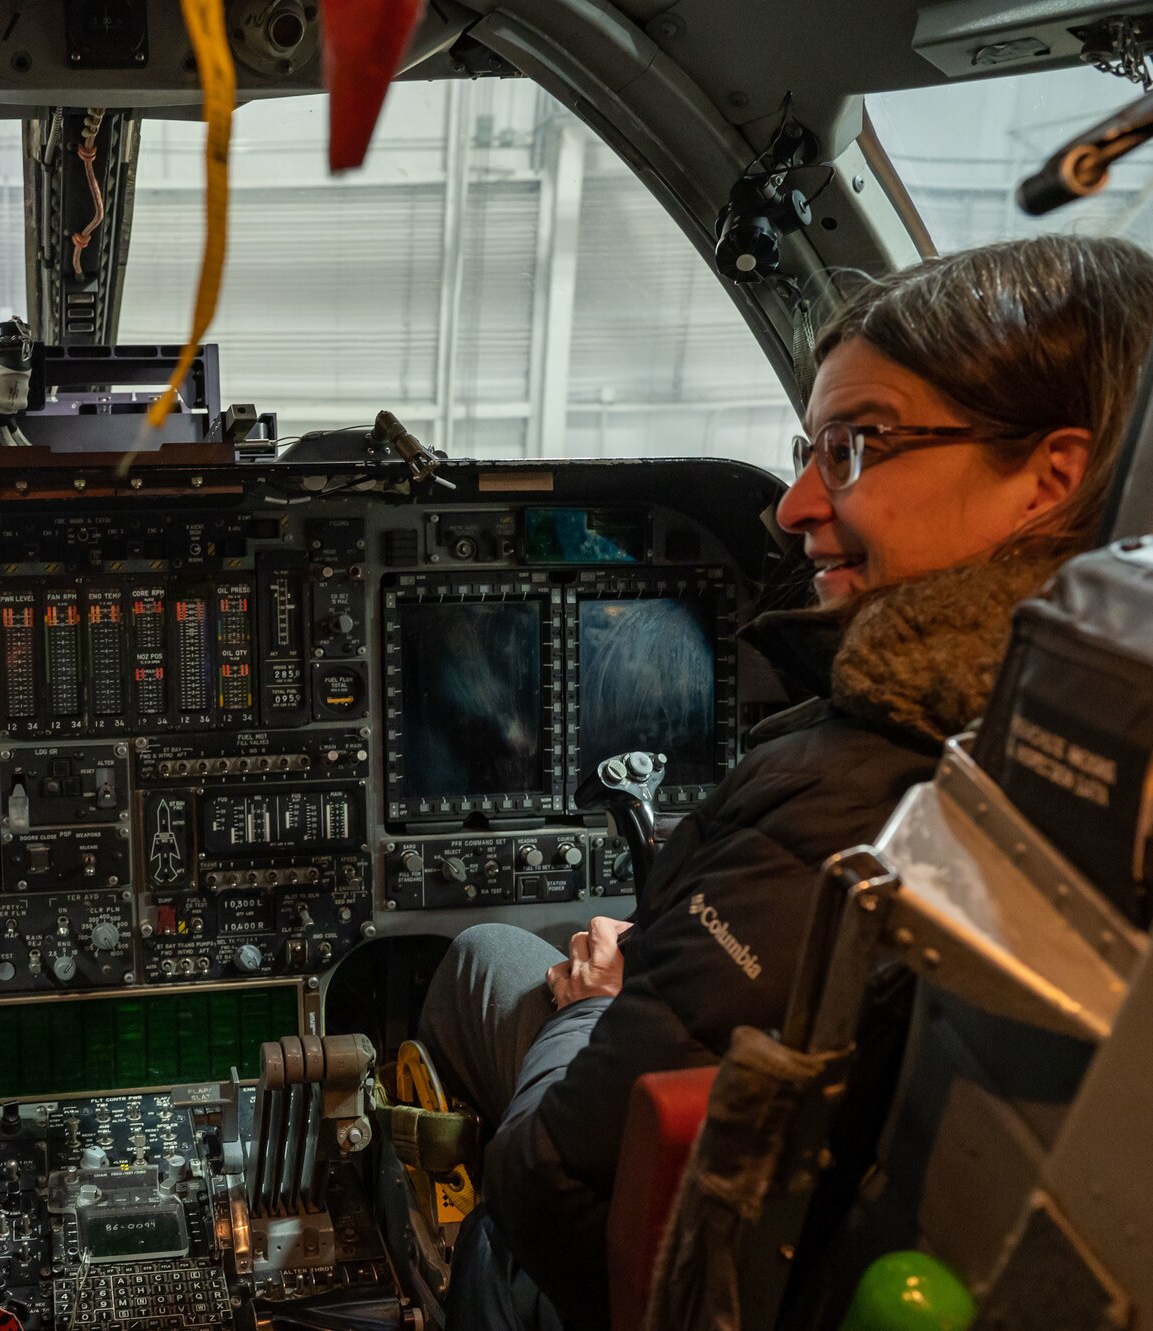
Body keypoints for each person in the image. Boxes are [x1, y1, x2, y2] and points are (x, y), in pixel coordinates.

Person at [417, 233, 1153, 1331]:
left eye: (855, 447)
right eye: (807, 448)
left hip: (648, 1277)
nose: (793, 504)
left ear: (1049, 476)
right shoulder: (1064, 747)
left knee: (480, 958)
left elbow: (560, 1189)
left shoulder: (863, 792)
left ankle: (447, 1274)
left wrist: (597, 1007)